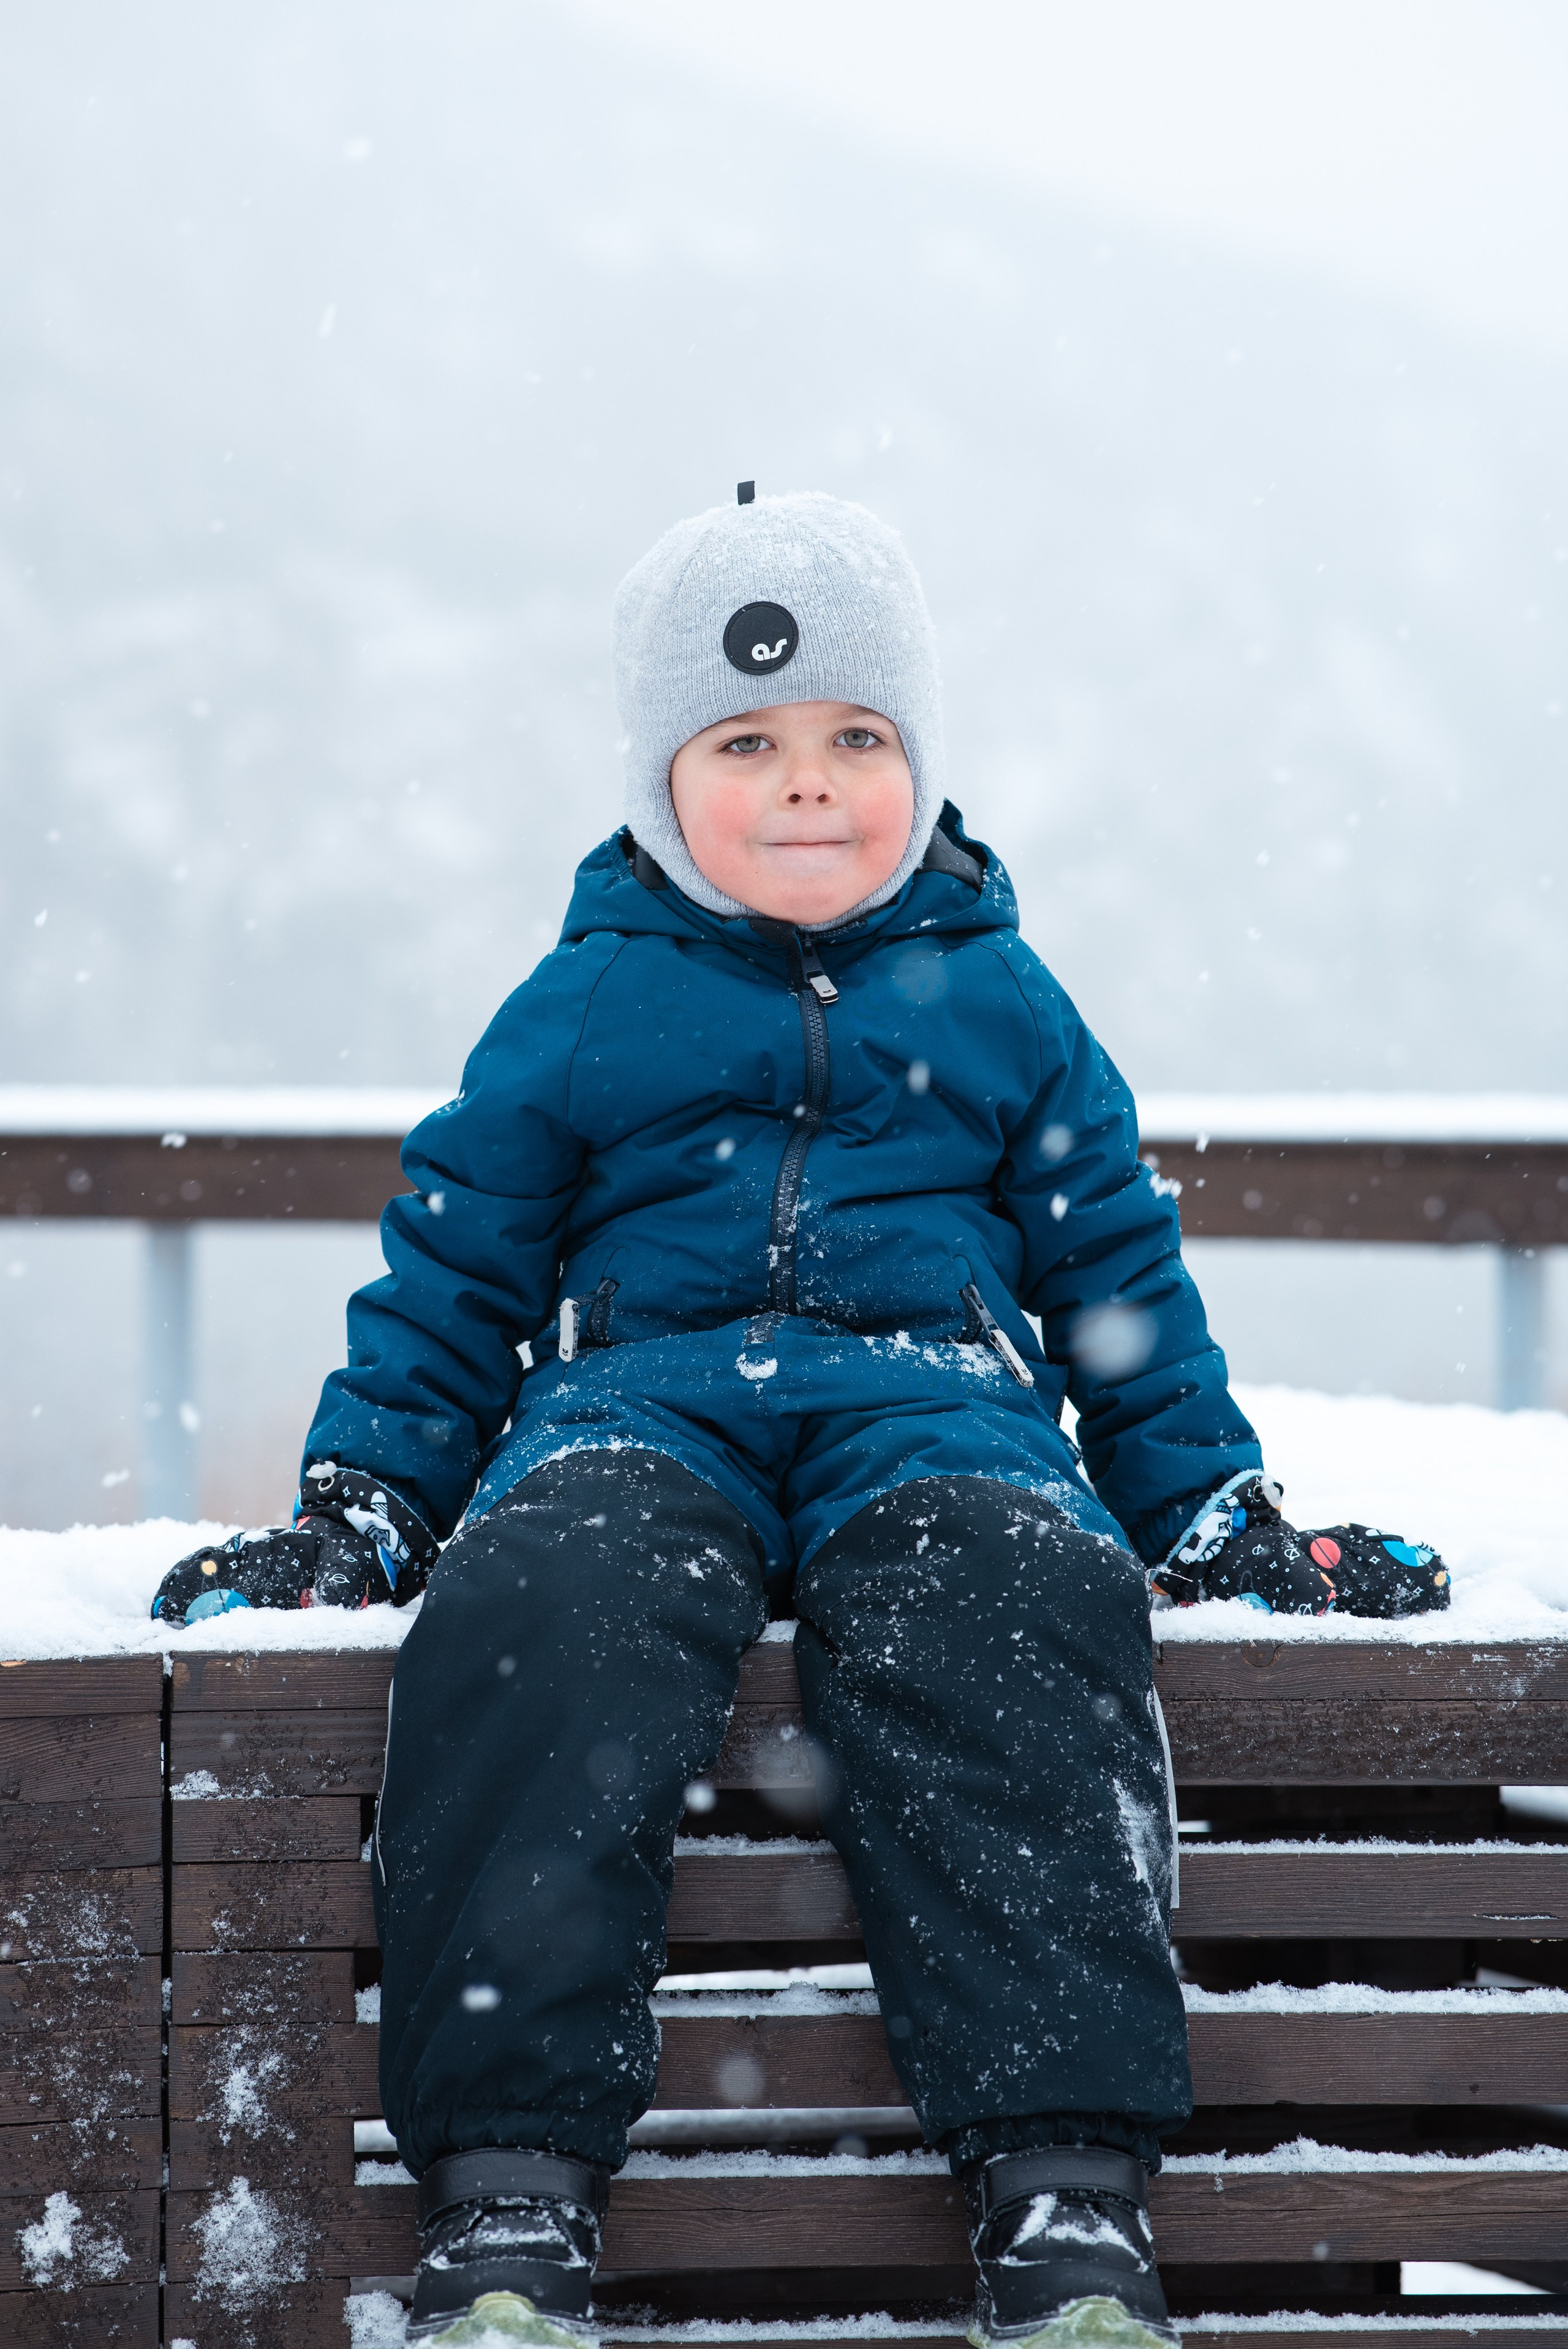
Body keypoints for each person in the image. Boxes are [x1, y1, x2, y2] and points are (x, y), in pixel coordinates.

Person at [154, 490, 1448, 2349]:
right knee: (545, 1604)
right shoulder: (585, 1003)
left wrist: (1208, 1506)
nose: (810, 784)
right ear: (658, 779)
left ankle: (1063, 2187)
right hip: (639, 1407)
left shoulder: (999, 995)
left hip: (941, 1413)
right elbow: (455, 1274)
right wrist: (365, 1498)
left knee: (1011, 1592)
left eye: (858, 738)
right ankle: (511, 2195)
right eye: (745, 744)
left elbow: (1120, 1283)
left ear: (918, 765)